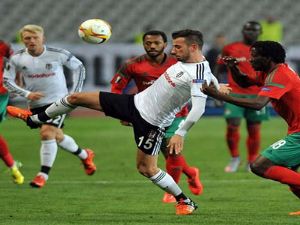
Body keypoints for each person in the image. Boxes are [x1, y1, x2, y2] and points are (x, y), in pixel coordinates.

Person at [8, 29, 231, 215]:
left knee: (147, 169)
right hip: (133, 103)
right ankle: (35, 118)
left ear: (193, 47)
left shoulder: (198, 72)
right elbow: (208, 80)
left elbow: (199, 106)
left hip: (152, 123)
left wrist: (180, 132)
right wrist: (217, 86)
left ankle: (184, 200)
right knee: (76, 98)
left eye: (178, 47)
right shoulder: (200, 68)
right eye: (173, 46)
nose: (173, 50)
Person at [202, 40, 300, 215]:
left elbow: (257, 104)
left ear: (268, 58)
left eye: (254, 56)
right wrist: (232, 68)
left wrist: (218, 95)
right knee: (289, 171)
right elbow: (245, 82)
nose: (250, 60)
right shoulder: (269, 72)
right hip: (295, 129)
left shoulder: (280, 75)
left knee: (259, 166)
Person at [110, 30, 203, 203]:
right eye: (148, 43)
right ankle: (190, 172)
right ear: (143, 44)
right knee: (164, 153)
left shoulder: (178, 63)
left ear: (165, 45)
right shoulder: (132, 64)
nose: (152, 46)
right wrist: (120, 112)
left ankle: (171, 190)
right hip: (147, 114)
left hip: (177, 114)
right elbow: (116, 87)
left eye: (157, 43)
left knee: (171, 150)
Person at [4, 24, 96, 188]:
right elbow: (7, 80)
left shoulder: (57, 54)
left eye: (35, 38)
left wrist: (74, 93)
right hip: (35, 103)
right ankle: (84, 155)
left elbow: (79, 67)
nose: (31, 41)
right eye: (27, 38)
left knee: (47, 133)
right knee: (57, 136)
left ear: (42, 38)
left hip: (59, 101)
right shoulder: (17, 58)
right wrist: (26, 94)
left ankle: (42, 175)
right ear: (23, 40)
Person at [214, 21, 269, 172]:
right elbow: (219, 66)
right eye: (248, 29)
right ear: (243, 31)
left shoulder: (265, 49)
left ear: (260, 32)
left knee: (254, 129)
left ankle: (251, 161)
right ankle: (235, 158)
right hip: (235, 92)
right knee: (232, 125)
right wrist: (217, 86)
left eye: (254, 30)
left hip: (257, 94)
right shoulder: (230, 48)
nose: (251, 32)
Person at [0, 40, 24, 184]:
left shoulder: (2, 46)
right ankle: (13, 166)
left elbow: (16, 61)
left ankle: (12, 166)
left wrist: (17, 81)